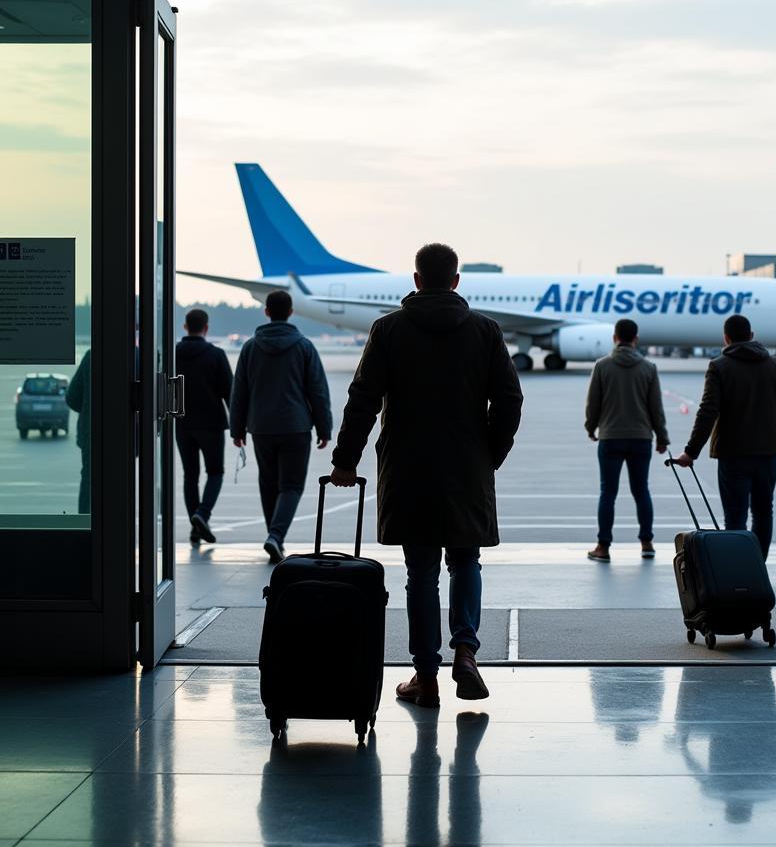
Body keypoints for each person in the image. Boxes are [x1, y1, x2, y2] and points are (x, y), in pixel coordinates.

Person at [331, 243, 523, 708]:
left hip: (409, 467)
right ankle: (466, 650)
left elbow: (364, 399)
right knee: (466, 562)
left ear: (416, 280)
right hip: (466, 467)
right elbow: (510, 400)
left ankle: (425, 675)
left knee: (421, 573)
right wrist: (489, 453)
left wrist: (346, 459)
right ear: (456, 280)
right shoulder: (485, 331)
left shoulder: (389, 330)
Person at [672, 313, 776, 560]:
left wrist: (691, 451)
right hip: (768, 452)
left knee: (735, 516)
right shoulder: (775, 366)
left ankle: (740, 569)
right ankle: (758, 567)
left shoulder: (719, 367)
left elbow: (708, 410)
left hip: (733, 453)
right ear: (752, 336)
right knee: (763, 513)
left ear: (726, 338)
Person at [229, 290, 332, 564]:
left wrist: (236, 429)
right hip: (296, 427)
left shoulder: (250, 347)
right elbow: (317, 391)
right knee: (292, 485)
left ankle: (274, 536)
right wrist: (325, 428)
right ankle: (275, 536)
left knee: (268, 483)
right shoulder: (304, 346)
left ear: (266, 312)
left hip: (261, 427)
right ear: (291, 312)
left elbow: (239, 391)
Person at [584, 318, 670, 562]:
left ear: (614, 338)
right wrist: (662, 437)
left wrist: (591, 428)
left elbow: (594, 403)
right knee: (641, 491)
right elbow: (656, 408)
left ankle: (603, 546)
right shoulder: (648, 368)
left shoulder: (602, 366)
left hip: (610, 438)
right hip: (641, 439)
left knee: (607, 493)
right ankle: (646, 543)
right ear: (636, 339)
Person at [175, 308, 233, 545]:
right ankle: (203, 514)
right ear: (206, 328)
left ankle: (195, 527)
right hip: (211, 423)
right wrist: (239, 426)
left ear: (185, 327)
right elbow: (230, 393)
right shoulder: (216, 354)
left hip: (182, 423)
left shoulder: (173, 353)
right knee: (215, 472)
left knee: (191, 475)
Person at [66, 348, 91, 515]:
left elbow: (72, 397)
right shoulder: (138, 355)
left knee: (89, 479)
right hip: (126, 438)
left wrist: (88, 410)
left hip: (91, 433)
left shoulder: (91, 356)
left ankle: (86, 527)